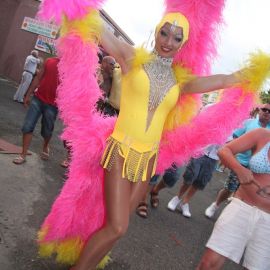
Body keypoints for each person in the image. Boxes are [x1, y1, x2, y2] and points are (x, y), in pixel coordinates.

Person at [37, 2, 270, 269]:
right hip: (120, 151)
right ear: (157, 31)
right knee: (117, 226)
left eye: (177, 37)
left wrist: (256, 71)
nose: (169, 41)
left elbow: (227, 79)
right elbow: (98, 25)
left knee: (118, 227)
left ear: (183, 43)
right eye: (164, 33)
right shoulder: (132, 57)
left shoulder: (181, 81)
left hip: (148, 158)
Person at [197, 128, 270, 270]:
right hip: (241, 207)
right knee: (208, 264)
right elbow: (225, 150)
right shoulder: (262, 135)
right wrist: (240, 169)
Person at [205, 103, 270, 218]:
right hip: (241, 163)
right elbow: (232, 142)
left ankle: (233, 214)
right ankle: (215, 205)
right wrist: (232, 160)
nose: (267, 113)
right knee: (229, 188)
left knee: (246, 193)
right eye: (265, 109)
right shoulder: (249, 123)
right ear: (259, 110)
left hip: (257, 171)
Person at [12, 57, 59, 165]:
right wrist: (28, 94)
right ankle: (23, 154)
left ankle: (46, 145)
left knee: (47, 131)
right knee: (27, 126)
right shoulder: (49, 61)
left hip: (53, 105)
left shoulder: (71, 68)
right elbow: (38, 78)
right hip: (38, 99)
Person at [167, 145, 220, 218]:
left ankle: (185, 202)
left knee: (201, 180)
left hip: (214, 157)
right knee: (191, 175)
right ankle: (177, 198)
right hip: (201, 151)